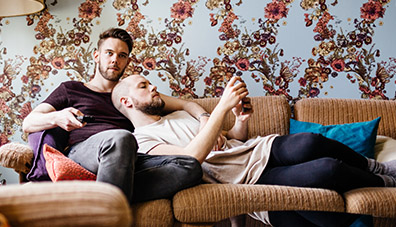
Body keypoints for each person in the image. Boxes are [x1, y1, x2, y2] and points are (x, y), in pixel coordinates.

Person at [112, 74, 396, 226]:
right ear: (127, 101)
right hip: (243, 179)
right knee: (327, 171)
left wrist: (239, 121)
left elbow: (229, 140)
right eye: (144, 85)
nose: (154, 87)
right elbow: (191, 158)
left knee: (309, 141)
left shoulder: (177, 116)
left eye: (150, 83)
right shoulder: (142, 142)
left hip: (253, 151)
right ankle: (384, 182)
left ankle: (378, 168)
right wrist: (220, 108)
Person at [22, 28, 207, 203]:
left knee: (190, 166)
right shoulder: (71, 89)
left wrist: (205, 118)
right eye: (109, 53)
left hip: (129, 159)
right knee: (120, 138)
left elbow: (186, 104)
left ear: (127, 61)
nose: (115, 60)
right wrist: (57, 117)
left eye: (122, 55)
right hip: (86, 153)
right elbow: (28, 123)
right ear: (96, 56)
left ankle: (101, 196)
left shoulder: (133, 93)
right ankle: (110, 210)